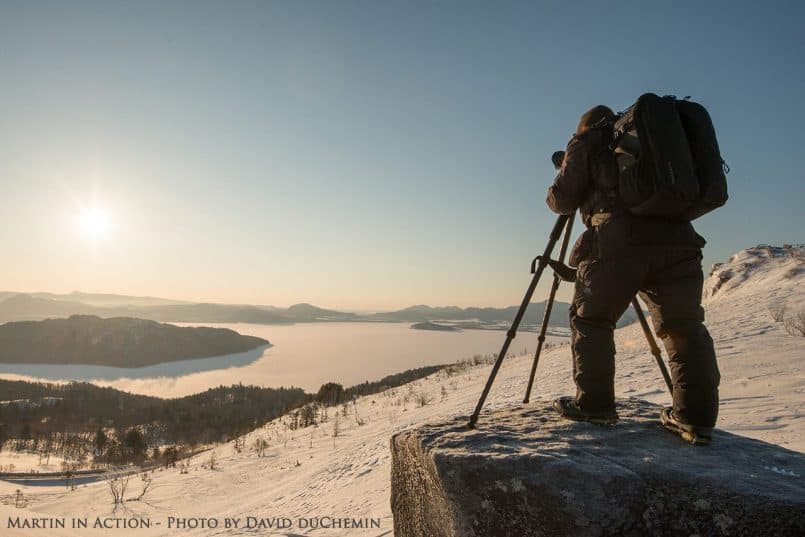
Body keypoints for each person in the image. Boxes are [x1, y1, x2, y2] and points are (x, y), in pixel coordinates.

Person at [546, 105, 721, 445]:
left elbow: (561, 199)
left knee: (592, 320)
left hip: (619, 245)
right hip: (680, 244)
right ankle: (695, 418)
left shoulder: (588, 140)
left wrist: (570, 161)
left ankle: (594, 406)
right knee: (683, 326)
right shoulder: (650, 146)